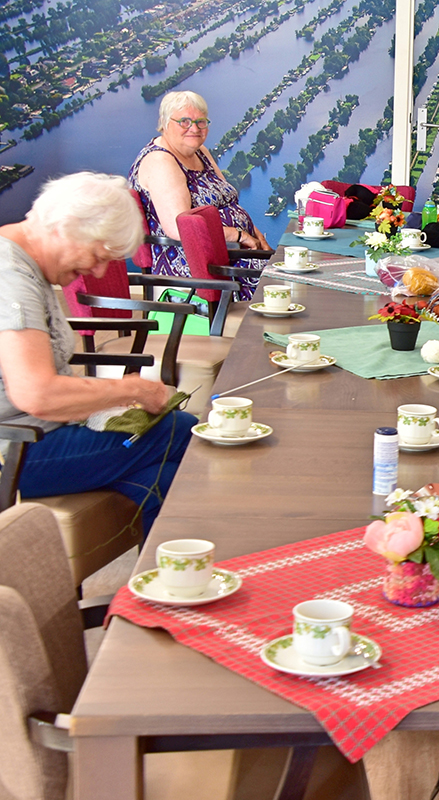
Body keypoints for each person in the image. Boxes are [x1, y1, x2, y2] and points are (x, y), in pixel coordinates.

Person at [0, 173, 198, 535]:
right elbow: (37, 394)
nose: (99, 271)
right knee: (181, 430)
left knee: (166, 478)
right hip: (13, 450)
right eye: (97, 256)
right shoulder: (10, 276)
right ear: (64, 228)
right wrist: (133, 390)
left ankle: (166, 580)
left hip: (34, 437)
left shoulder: (21, 260)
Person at [128, 90, 270, 301]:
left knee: (297, 269)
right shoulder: (160, 161)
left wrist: (257, 236)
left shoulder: (200, 151)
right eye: (184, 122)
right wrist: (239, 236)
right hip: (196, 263)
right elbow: (181, 228)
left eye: (200, 122)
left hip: (233, 251)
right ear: (165, 123)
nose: (194, 128)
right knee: (286, 283)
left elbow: (230, 201)